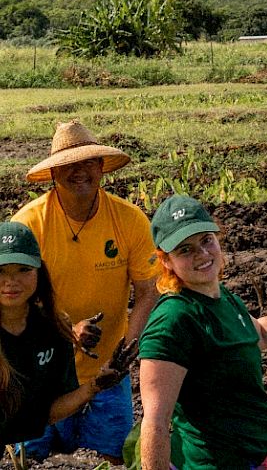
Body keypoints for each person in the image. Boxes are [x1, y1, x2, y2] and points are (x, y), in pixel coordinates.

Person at [139, 194, 267, 470]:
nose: (202, 254)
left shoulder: (223, 299)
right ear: (166, 261)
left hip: (252, 458)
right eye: (185, 250)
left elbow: (262, 334)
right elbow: (156, 421)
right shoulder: (173, 320)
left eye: (206, 240)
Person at [11, 120, 158, 463]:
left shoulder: (129, 220)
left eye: (88, 162)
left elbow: (148, 290)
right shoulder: (29, 225)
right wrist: (65, 332)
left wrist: (127, 349)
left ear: (101, 167)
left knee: (115, 457)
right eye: (69, 165)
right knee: (29, 458)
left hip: (106, 371)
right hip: (40, 373)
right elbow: (13, 302)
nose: (80, 172)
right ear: (53, 173)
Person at [0, 222, 137, 456]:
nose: (11, 280)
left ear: (39, 273)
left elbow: (47, 412)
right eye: (1, 270)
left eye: (23, 269)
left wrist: (93, 386)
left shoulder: (52, 330)